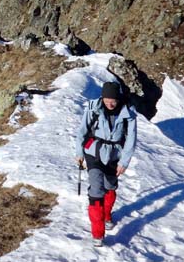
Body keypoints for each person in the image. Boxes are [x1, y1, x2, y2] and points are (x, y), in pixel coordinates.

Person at [75, 81, 137, 246]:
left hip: (114, 155)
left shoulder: (128, 113)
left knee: (109, 187)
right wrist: (79, 153)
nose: (110, 102)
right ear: (102, 97)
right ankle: (97, 233)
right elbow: (82, 130)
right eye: (106, 98)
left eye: (113, 99)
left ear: (119, 99)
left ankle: (107, 215)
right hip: (93, 151)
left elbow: (131, 138)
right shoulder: (93, 107)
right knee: (96, 190)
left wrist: (124, 161)